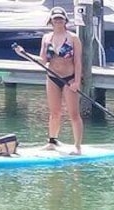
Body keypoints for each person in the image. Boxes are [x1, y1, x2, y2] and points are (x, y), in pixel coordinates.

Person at [39, 6, 83, 154]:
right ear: (51, 21)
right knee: (54, 112)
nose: (58, 21)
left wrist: (76, 82)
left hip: (69, 79)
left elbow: (78, 61)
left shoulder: (73, 38)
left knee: (74, 114)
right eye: (55, 18)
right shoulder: (46, 38)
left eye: (61, 18)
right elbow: (43, 59)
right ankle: (52, 141)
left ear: (65, 21)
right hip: (52, 77)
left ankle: (77, 146)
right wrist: (23, 54)